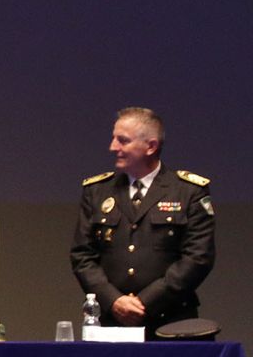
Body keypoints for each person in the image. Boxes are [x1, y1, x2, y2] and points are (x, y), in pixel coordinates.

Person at [70, 107, 214, 334]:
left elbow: (198, 258)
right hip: (111, 320)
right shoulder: (97, 191)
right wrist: (114, 301)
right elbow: (82, 256)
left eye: (122, 141)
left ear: (151, 146)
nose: (113, 147)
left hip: (172, 321)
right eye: (114, 139)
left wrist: (145, 302)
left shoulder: (187, 191)